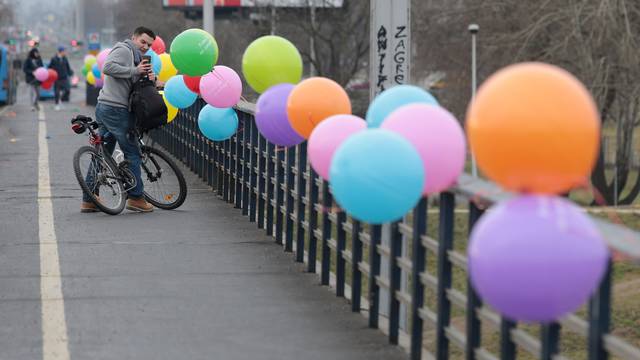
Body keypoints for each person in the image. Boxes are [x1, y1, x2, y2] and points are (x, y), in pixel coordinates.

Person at [81, 26, 157, 213]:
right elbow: (108, 67)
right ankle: (136, 198)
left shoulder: (136, 57)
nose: (145, 46)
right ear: (134, 38)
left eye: (149, 44)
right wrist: (135, 70)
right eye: (143, 42)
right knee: (132, 151)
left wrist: (151, 79)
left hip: (106, 108)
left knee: (103, 153)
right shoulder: (124, 49)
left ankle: (89, 199)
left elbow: (131, 82)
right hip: (116, 109)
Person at [48, 46, 73, 111]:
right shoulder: (54, 59)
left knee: (67, 90)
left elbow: (67, 67)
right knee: (57, 92)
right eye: (64, 51)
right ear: (61, 51)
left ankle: (60, 100)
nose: (65, 52)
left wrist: (70, 73)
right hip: (57, 78)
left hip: (64, 77)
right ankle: (57, 104)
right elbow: (50, 67)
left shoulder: (65, 58)